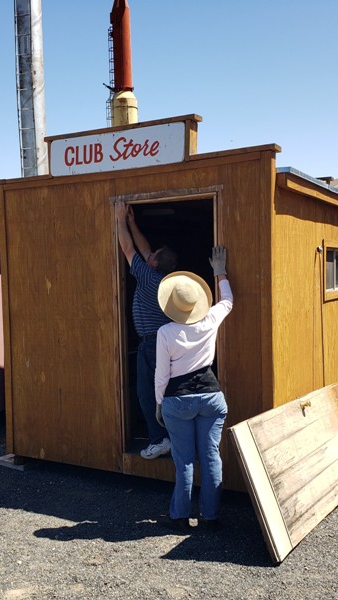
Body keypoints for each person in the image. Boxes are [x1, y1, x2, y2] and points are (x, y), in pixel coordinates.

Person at [154, 246, 233, 531]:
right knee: (211, 455)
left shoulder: (165, 333)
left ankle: (180, 516)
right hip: (212, 397)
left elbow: (161, 375)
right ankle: (210, 517)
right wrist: (220, 271)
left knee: (184, 460)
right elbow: (228, 301)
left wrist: (159, 403)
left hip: (178, 400)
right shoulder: (210, 320)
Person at [114, 199, 178, 459]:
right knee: (165, 391)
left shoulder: (147, 276)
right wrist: (132, 222)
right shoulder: (162, 279)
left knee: (146, 394)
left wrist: (119, 218)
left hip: (150, 344)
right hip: (163, 342)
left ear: (152, 264)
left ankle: (159, 439)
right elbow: (144, 249)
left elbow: (128, 247)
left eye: (151, 256)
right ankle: (172, 437)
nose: (148, 254)